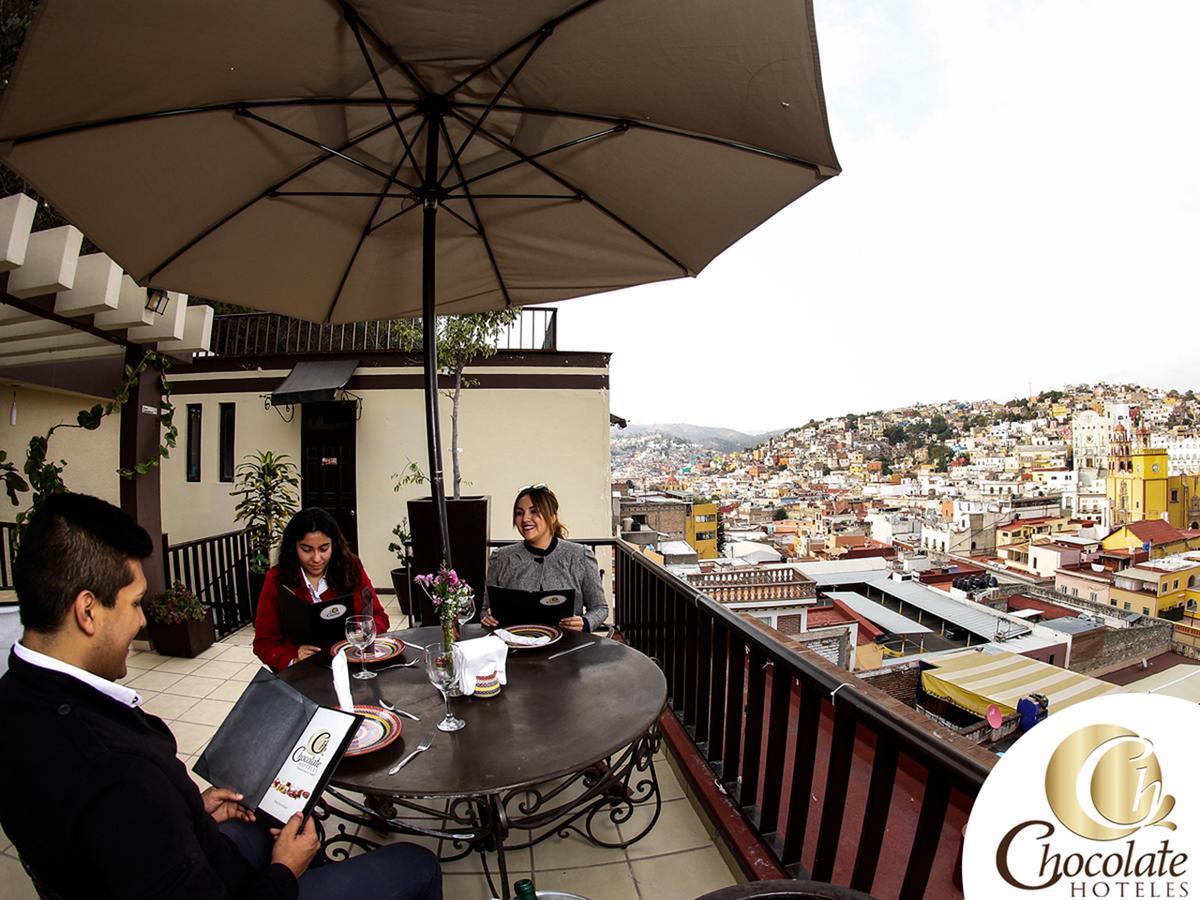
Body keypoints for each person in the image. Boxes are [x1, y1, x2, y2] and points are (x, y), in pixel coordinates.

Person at [0, 492, 441, 899]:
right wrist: (285, 871)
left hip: (196, 845)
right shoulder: (118, 770)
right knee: (416, 862)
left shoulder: (17, 702)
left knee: (275, 817)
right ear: (88, 610)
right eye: (136, 604)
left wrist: (189, 807)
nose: (141, 623)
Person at [253, 508, 389, 670]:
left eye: (324, 549)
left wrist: (362, 632)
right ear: (293, 547)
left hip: (351, 667)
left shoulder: (351, 568)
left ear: (334, 545)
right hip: (304, 675)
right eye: (306, 550)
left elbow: (380, 617)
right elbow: (263, 643)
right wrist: (293, 658)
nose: (316, 559)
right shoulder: (277, 579)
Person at [482, 484, 608, 632]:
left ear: (553, 517)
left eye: (534, 511)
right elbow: (486, 609)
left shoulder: (580, 556)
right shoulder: (501, 558)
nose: (525, 519)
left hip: (568, 647)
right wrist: (487, 617)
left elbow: (600, 607)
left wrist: (585, 623)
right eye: (519, 513)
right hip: (516, 647)